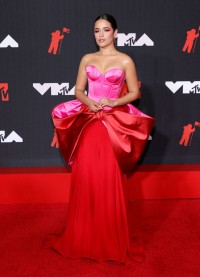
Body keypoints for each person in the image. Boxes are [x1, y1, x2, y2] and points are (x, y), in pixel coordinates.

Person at [44, 14, 155, 263]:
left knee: (108, 178)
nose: (101, 35)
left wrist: (115, 101)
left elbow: (135, 92)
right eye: (97, 31)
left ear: (115, 32)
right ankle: (82, 235)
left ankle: (108, 237)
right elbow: (78, 90)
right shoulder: (87, 59)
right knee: (87, 177)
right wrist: (88, 102)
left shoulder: (125, 60)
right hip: (90, 124)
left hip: (112, 125)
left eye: (106, 30)